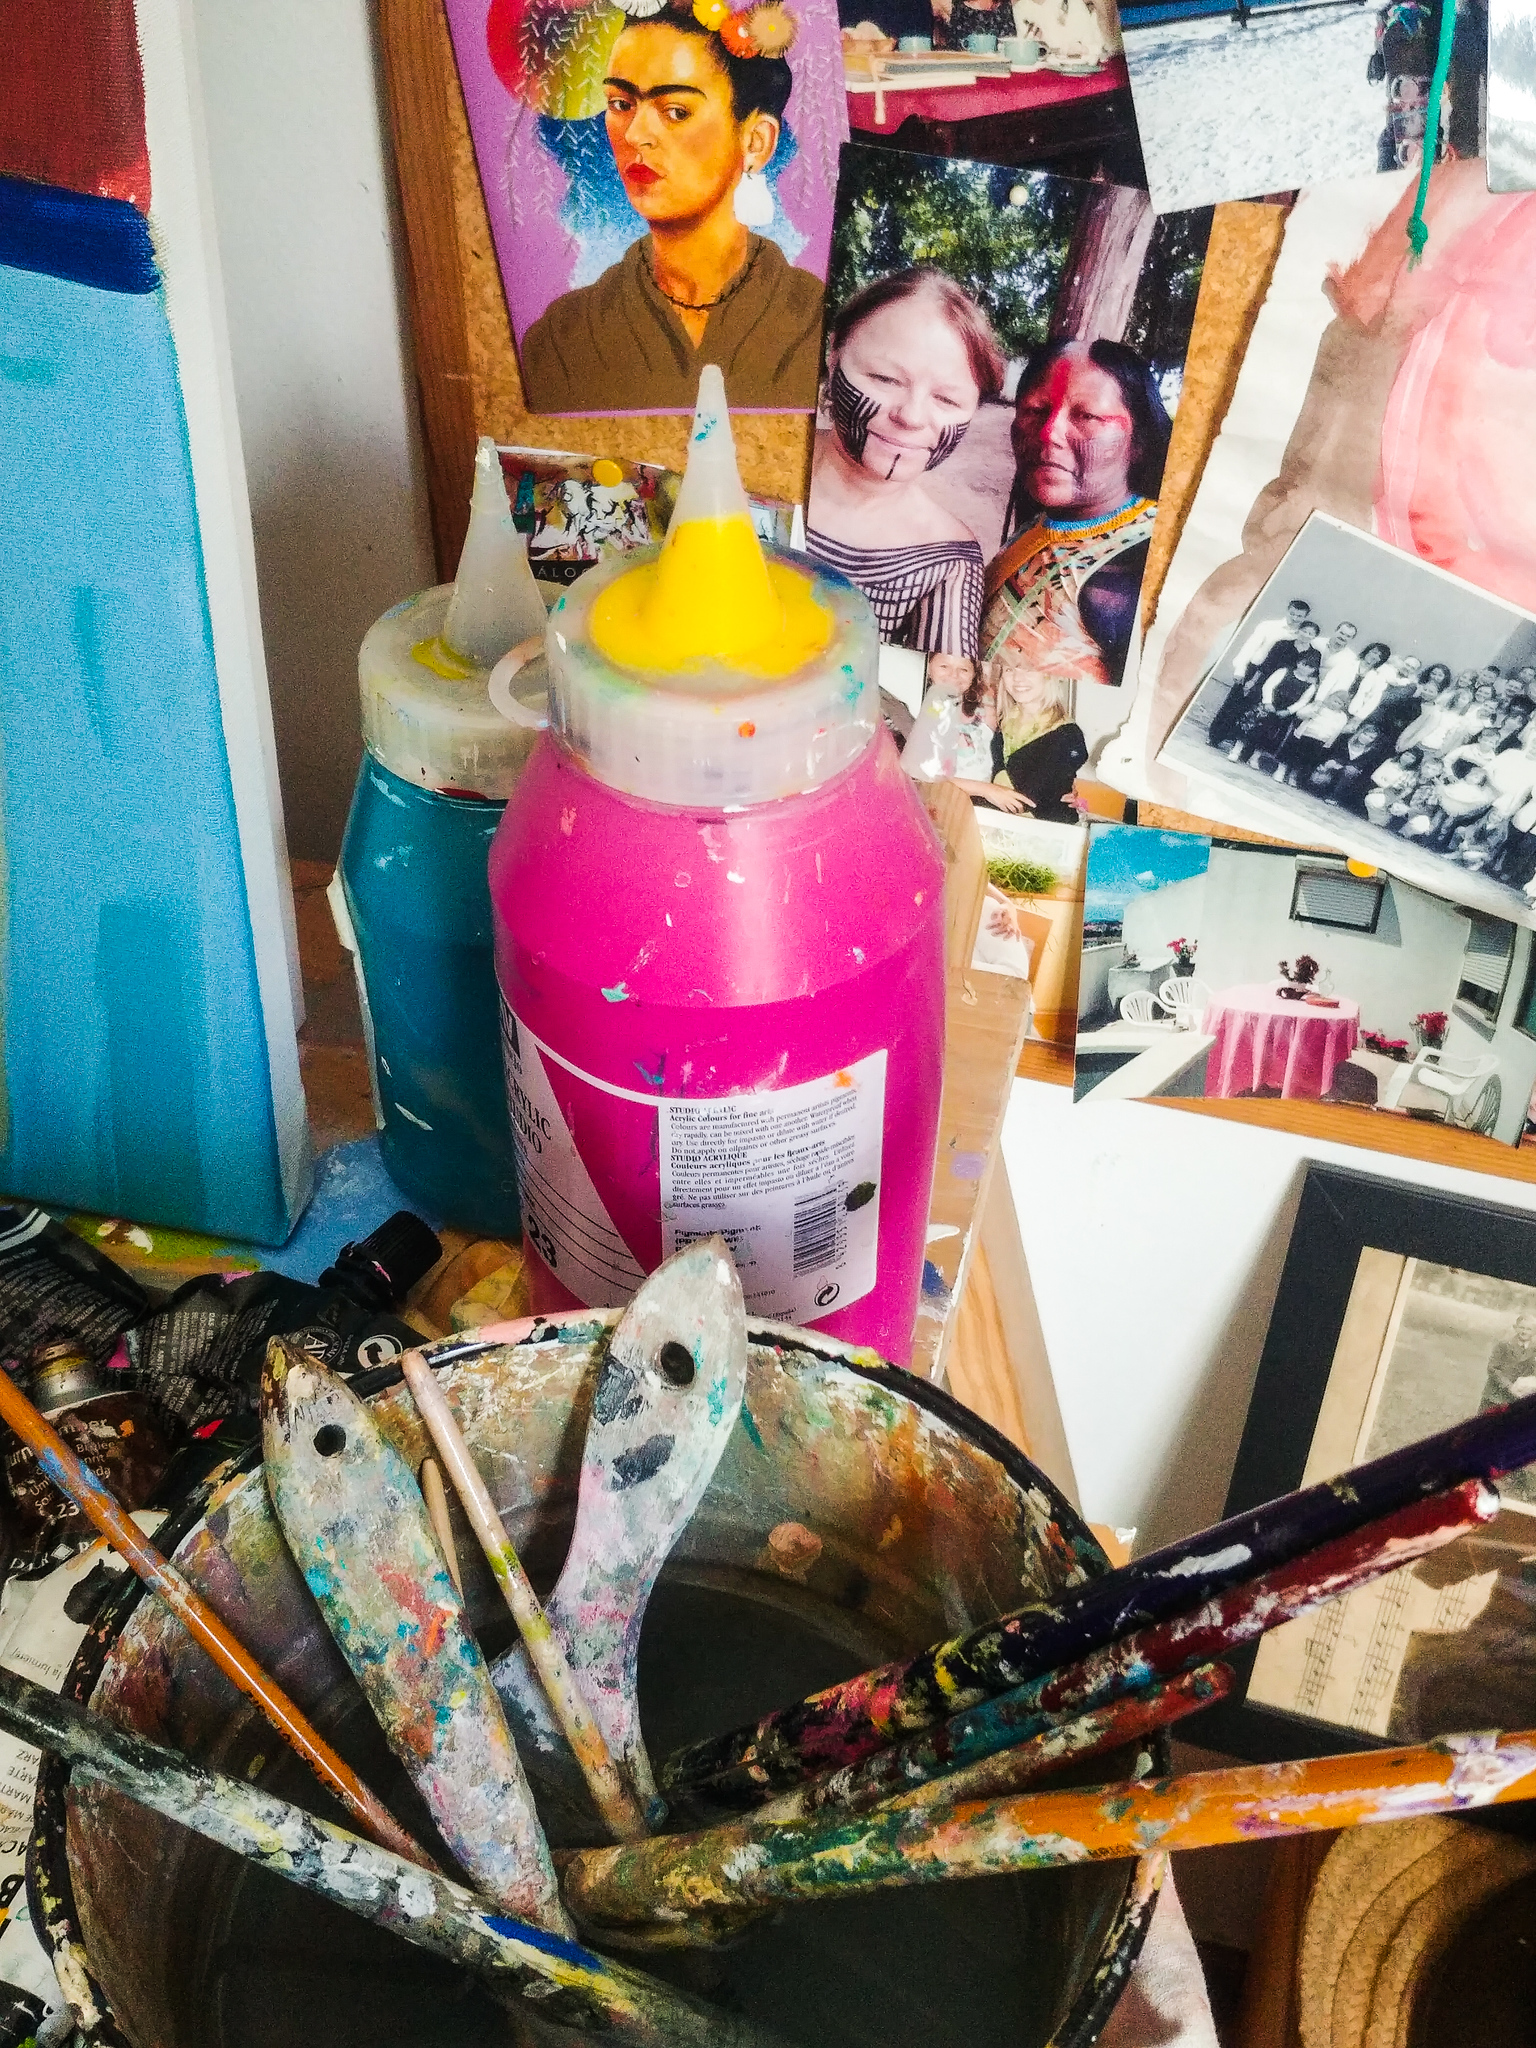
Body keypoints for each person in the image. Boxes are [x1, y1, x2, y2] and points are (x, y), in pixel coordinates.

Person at [519, 1, 824, 412]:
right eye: (620, 104)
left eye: (676, 111)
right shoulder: (565, 336)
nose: (635, 134)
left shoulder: (815, 321)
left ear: (756, 142)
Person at [806, 269, 1005, 656]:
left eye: (946, 399)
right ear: (834, 354)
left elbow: (940, 690)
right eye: (885, 378)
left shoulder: (948, 561)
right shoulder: (753, 465)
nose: (911, 417)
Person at [981, 338, 1172, 703]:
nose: (1048, 433)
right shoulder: (1047, 524)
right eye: (1036, 410)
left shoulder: (1134, 569)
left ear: (1139, 442)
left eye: (1087, 417)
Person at [990, 666, 1087, 820]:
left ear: (1049, 675)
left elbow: (1022, 802)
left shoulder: (1068, 735)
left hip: (1044, 827)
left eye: (1029, 669)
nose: (1017, 678)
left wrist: (975, 792)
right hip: (1004, 823)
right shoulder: (1005, 722)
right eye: (1009, 669)